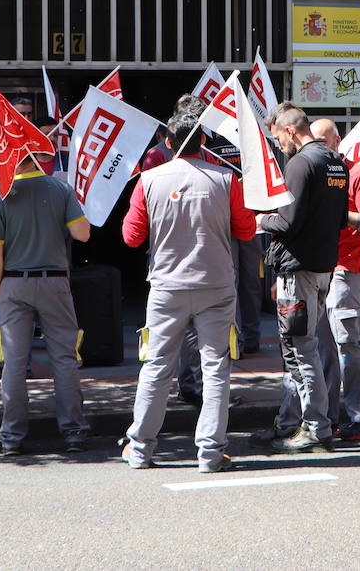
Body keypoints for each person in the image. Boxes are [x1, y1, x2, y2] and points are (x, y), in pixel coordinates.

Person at [119, 106, 255, 472]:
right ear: (204, 141)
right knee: (215, 369)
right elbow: (246, 231)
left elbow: (131, 238)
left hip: (166, 288)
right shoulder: (227, 180)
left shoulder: (149, 180)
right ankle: (211, 453)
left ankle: (140, 449)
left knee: (156, 367)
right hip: (216, 285)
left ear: (167, 141)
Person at [272, 119, 360, 441]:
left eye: (325, 141)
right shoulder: (309, 169)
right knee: (313, 346)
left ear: (337, 141)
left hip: (346, 269)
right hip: (316, 267)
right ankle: (322, 417)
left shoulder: (357, 174)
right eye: (315, 140)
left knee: (346, 342)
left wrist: (335, 212)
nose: (320, 146)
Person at [254, 103, 348, 454]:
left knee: (299, 348)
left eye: (278, 137)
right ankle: (298, 422)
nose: (279, 144)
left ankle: (316, 427)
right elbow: (338, 220)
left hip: (299, 268)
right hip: (324, 266)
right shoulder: (335, 161)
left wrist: (261, 220)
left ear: (291, 131)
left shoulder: (300, 163)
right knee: (304, 344)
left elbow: (287, 222)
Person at [0, 152, 92, 455]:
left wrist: (0, 288)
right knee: (64, 357)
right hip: (55, 281)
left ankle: (11, 437)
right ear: (36, 158)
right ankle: (73, 431)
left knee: (14, 363)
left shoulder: (0, 194)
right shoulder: (60, 189)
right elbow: (82, 234)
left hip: (13, 284)